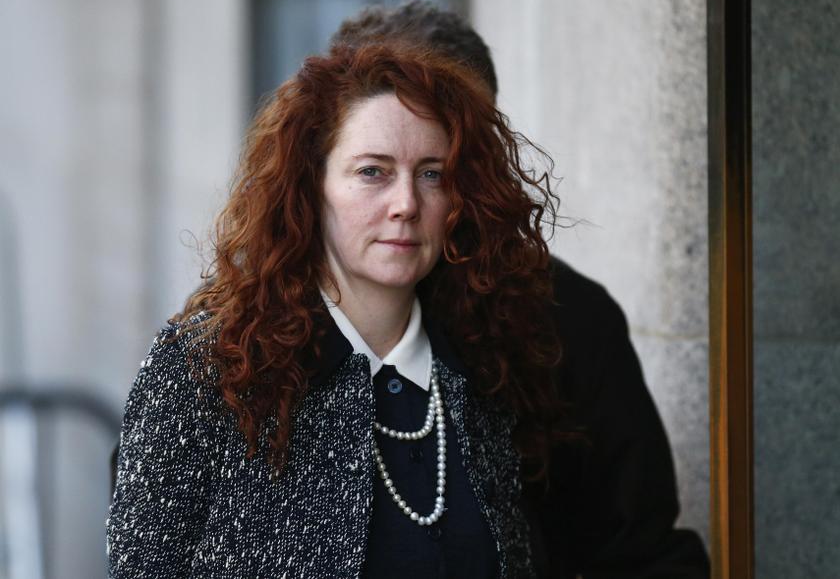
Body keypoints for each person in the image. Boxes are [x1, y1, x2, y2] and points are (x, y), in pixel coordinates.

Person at [108, 42, 572, 578]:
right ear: (312, 187)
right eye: (373, 172)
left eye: (432, 174)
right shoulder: (208, 367)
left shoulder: (485, 365)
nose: (406, 204)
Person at [329, 0, 711, 578]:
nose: (406, 202)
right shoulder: (256, 333)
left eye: (438, 164)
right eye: (374, 166)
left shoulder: (568, 319)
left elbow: (643, 553)